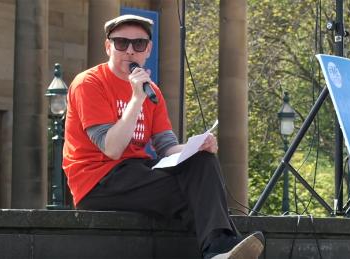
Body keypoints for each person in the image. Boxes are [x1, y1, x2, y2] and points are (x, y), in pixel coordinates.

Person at [63, 14, 264, 259]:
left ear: (147, 50)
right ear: (108, 47)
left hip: (138, 173)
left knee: (202, 162)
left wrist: (197, 146)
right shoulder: (89, 83)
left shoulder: (152, 91)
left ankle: (220, 249)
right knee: (195, 198)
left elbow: (166, 146)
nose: (129, 51)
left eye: (138, 45)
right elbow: (112, 148)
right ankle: (221, 248)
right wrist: (136, 98)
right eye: (121, 43)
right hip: (97, 180)